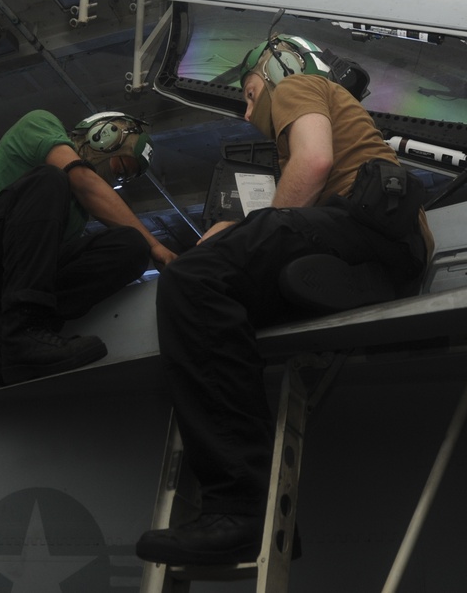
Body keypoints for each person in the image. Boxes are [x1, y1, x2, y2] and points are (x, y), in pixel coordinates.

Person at [135, 34, 434, 566]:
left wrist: (241, 236)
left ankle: (237, 510)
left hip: (360, 226)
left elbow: (314, 162)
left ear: (276, 70)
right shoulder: (328, 113)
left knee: (193, 282)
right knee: (251, 278)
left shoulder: (297, 84)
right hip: (386, 244)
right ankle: (271, 518)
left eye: (250, 94)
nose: (249, 112)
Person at [0, 108, 178, 386]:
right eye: (121, 167)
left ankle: (2, 327)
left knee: (131, 246)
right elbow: (83, 183)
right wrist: (158, 248)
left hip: (11, 284)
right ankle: (21, 332)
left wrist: (145, 247)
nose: (116, 180)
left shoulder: (77, 213)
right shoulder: (38, 124)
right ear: (102, 136)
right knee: (51, 178)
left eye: (125, 178)